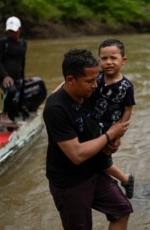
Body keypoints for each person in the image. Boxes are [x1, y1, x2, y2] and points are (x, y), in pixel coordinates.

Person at [43, 49, 132, 229]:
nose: (95, 85)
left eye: (96, 79)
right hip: (69, 182)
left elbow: (117, 110)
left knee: (121, 210)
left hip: (93, 171)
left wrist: (113, 140)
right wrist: (109, 135)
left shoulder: (88, 93)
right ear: (70, 80)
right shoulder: (56, 109)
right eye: (89, 81)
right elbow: (77, 154)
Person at [91, 39, 136, 199]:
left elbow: (128, 110)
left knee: (101, 159)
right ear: (99, 60)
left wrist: (118, 135)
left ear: (123, 61)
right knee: (95, 157)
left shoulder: (126, 86)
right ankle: (121, 179)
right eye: (104, 58)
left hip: (110, 129)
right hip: (92, 125)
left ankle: (125, 178)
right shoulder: (96, 78)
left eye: (113, 58)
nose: (108, 62)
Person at [0, 16, 27, 122]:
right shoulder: (3, 43)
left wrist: (23, 78)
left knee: (18, 99)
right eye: (9, 31)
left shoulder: (23, 44)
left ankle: (14, 117)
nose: (11, 33)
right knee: (11, 91)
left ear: (20, 29)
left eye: (13, 31)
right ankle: (4, 114)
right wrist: (5, 76)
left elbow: (22, 61)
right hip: (5, 78)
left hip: (17, 77)